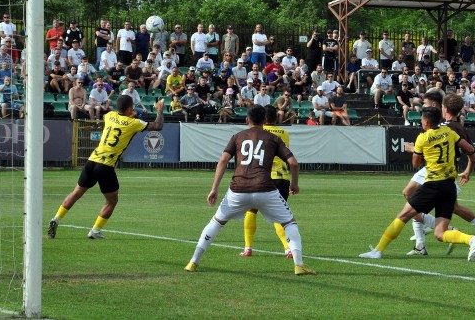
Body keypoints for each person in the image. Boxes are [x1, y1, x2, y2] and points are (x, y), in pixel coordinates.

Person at [184, 104, 314, 275]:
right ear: (265, 120)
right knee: (289, 222)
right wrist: (294, 184)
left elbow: (222, 161)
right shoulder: (272, 138)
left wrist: (214, 188)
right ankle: (299, 264)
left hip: (238, 190)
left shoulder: (237, 136)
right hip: (265, 189)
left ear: (247, 120)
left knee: (216, 223)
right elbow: (294, 163)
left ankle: (193, 261)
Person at [359, 107, 475, 261]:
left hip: (433, 185)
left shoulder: (422, 138)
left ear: (426, 122)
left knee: (403, 216)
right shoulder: (450, 133)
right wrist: (467, 171)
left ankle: (377, 251)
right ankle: (471, 239)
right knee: (440, 233)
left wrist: (416, 149)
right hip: (449, 186)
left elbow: (416, 164)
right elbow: (471, 150)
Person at [47, 96, 164, 240]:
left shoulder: (109, 116)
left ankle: (56, 218)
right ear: (129, 109)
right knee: (112, 201)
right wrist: (159, 111)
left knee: (76, 192)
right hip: (106, 165)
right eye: (132, 108)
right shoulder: (133, 123)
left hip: (92, 160)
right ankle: (95, 231)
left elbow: (116, 117)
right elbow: (157, 126)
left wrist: (126, 115)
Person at [402, 94, 475, 256]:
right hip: (435, 168)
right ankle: (421, 243)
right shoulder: (456, 126)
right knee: (411, 195)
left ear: (442, 107)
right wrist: (468, 171)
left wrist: (412, 148)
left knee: (417, 200)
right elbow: (471, 152)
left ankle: (445, 230)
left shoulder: (449, 128)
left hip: (441, 169)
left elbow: (464, 150)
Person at [240, 105, 296, 258]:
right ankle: (288, 248)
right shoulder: (285, 133)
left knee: (251, 210)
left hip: (262, 176)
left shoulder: (259, 133)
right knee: (279, 215)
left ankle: (248, 248)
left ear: (263, 118)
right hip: (282, 177)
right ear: (276, 118)